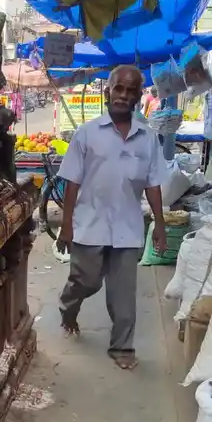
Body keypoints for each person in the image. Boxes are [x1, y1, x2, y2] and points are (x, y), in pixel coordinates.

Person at [57, 65, 168, 370]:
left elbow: (153, 183)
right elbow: (72, 181)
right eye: (119, 88)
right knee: (85, 281)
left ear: (138, 97)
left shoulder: (147, 138)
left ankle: (122, 347)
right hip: (89, 224)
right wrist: (66, 225)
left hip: (127, 227)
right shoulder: (87, 134)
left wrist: (159, 223)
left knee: (123, 295)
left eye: (131, 90)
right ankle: (68, 307)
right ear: (108, 92)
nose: (123, 95)